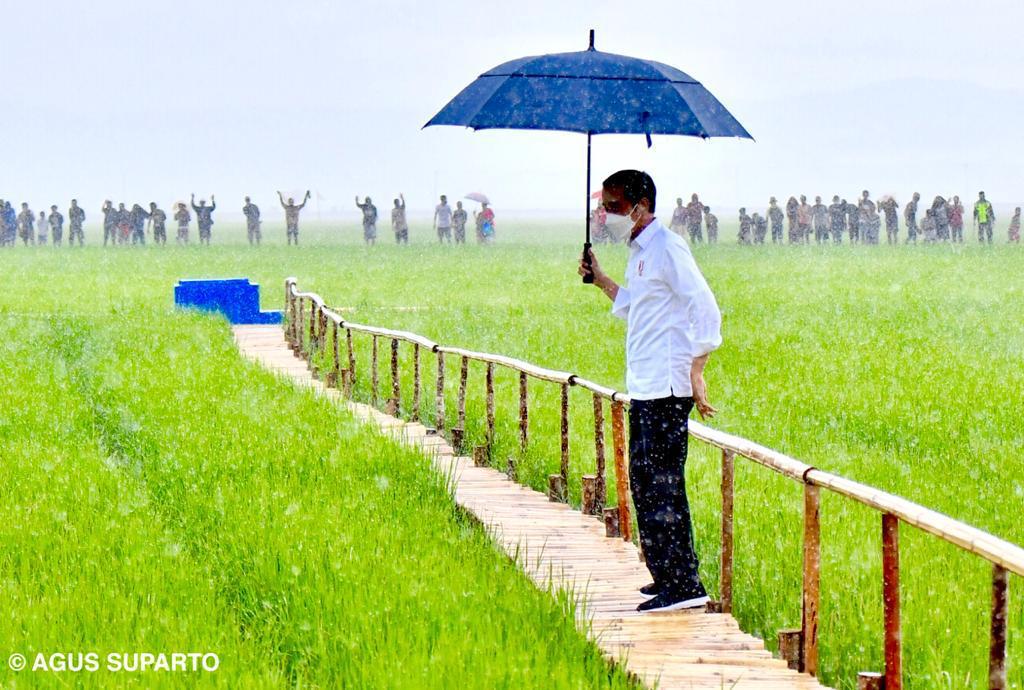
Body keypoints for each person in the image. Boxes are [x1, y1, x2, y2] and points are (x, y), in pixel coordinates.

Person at [578, 169, 721, 614]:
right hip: (644, 383)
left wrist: (697, 367)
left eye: (615, 206)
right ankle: (665, 575)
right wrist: (600, 278)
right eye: (605, 208)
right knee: (644, 481)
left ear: (640, 205)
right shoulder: (639, 254)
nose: (608, 215)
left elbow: (707, 307)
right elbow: (635, 306)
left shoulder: (668, 248)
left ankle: (684, 584)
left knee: (663, 484)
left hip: (667, 385)